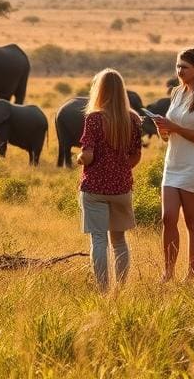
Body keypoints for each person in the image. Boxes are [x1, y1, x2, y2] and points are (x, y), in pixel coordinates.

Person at [153, 47, 194, 281]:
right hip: (173, 162)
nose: (179, 71)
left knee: (192, 221)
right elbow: (170, 134)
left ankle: (191, 276)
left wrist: (176, 128)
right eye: (178, 66)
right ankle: (167, 272)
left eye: (184, 67)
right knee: (168, 217)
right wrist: (164, 130)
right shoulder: (176, 93)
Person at [76, 68, 143, 291]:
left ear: (100, 90)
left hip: (94, 188)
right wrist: (120, 170)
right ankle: (121, 289)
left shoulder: (94, 118)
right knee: (120, 241)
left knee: (99, 240)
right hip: (122, 189)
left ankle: (103, 289)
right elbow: (136, 155)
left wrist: (80, 158)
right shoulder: (133, 119)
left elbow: (89, 156)